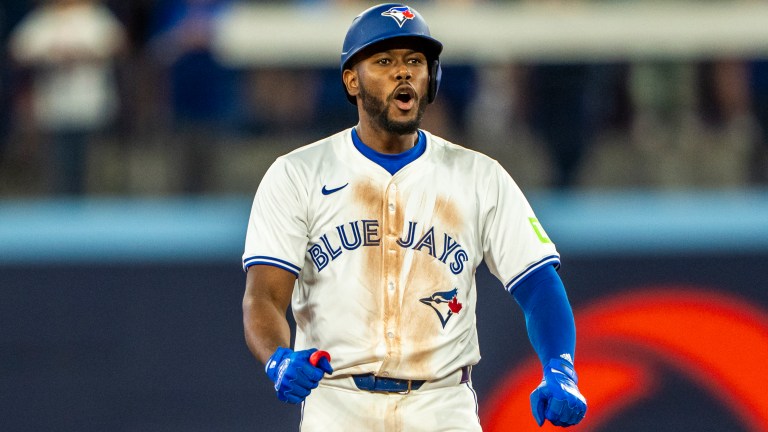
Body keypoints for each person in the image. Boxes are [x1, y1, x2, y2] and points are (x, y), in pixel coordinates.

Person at [241, 4, 587, 430]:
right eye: (384, 61)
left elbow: (538, 284)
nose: (403, 72)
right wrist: (278, 358)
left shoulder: (479, 176)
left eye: (415, 61)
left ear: (431, 79)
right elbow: (264, 296)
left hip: (441, 405)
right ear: (352, 79)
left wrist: (561, 367)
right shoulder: (297, 174)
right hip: (338, 404)